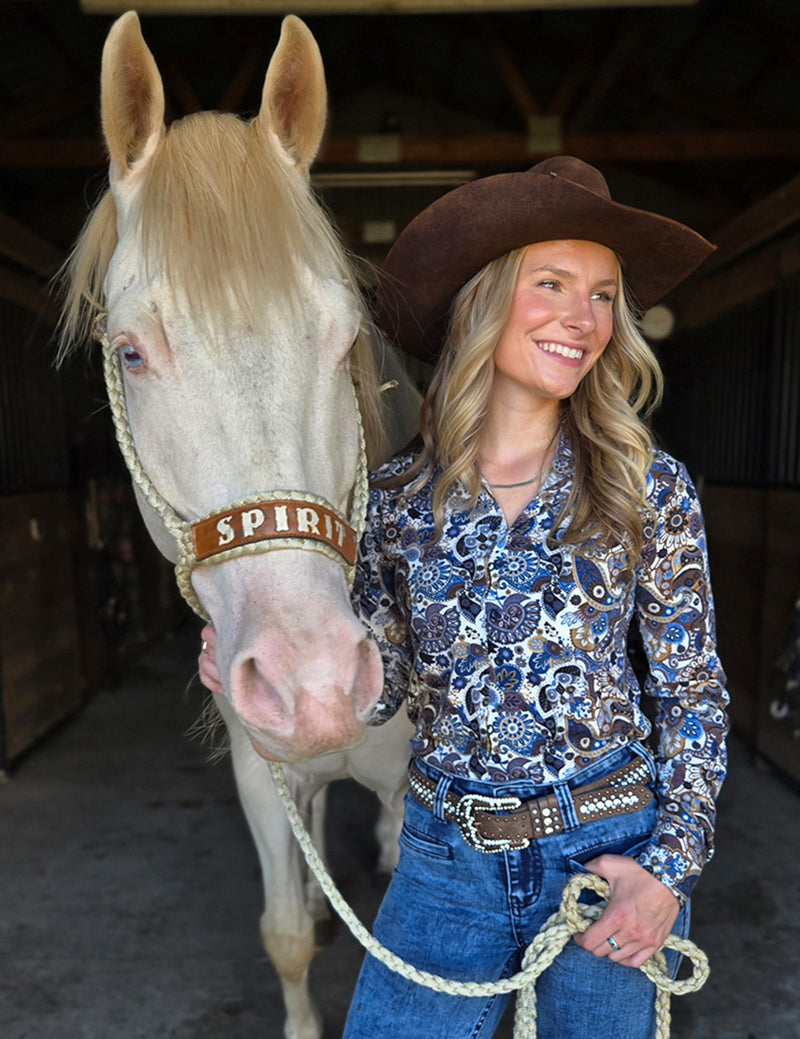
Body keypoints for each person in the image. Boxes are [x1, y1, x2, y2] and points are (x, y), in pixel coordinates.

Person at [199, 156, 729, 1039]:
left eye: (603, 295)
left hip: (608, 852)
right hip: (445, 857)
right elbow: (387, 686)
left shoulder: (649, 487)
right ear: (483, 302)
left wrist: (667, 871)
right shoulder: (395, 498)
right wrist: (270, 692)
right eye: (552, 283)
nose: (583, 318)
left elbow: (692, 690)